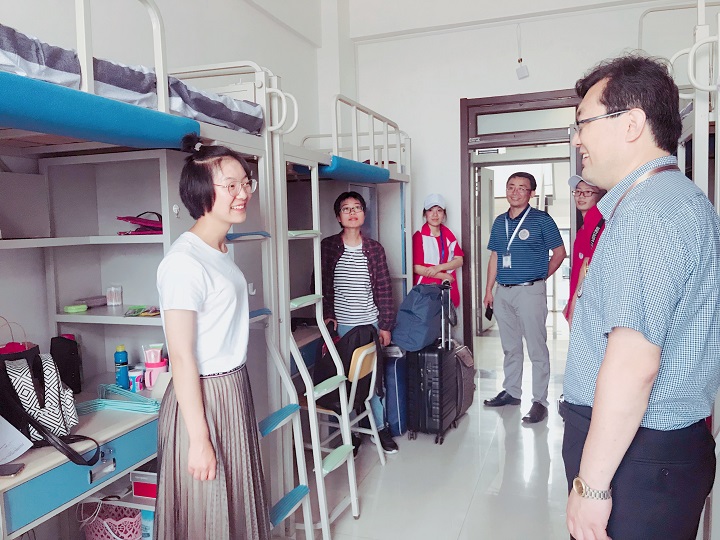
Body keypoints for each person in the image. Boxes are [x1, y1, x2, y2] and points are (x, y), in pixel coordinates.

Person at [562, 54, 720, 540]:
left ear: (631, 124)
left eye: (584, 123)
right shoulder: (681, 199)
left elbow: (634, 365)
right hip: (660, 451)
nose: (577, 139)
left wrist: (592, 488)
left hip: (638, 457)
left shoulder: (647, 214)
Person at [154, 134, 270, 539]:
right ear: (201, 191)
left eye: (245, 183)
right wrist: (199, 439)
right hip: (203, 399)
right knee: (209, 516)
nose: (243, 193)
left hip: (231, 389)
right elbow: (181, 356)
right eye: (231, 185)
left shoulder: (218, 248)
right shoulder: (183, 263)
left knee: (234, 510)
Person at [482, 172, 566, 424]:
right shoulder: (500, 222)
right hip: (503, 291)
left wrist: (540, 277)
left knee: (536, 347)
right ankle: (512, 392)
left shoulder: (541, 220)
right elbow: (495, 256)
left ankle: (539, 401)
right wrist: (489, 289)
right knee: (510, 346)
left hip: (530, 290)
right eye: (511, 187)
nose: (515, 192)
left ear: (531, 193)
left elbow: (560, 253)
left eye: (521, 188)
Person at [321, 191, 399, 454]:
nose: (352, 212)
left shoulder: (374, 249)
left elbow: (384, 288)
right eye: (346, 209)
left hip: (370, 325)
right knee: (344, 381)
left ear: (364, 214)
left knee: (373, 381)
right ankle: (350, 435)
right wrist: (327, 313)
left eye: (357, 208)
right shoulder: (329, 246)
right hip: (342, 327)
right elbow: (319, 284)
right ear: (338, 217)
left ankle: (380, 429)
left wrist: (385, 325)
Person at [563, 175, 605, 326]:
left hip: (588, 303)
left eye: (588, 192)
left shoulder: (598, 222)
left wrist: (574, 306)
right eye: (578, 191)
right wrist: (570, 303)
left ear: (599, 196)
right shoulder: (584, 228)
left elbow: (587, 267)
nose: (581, 196)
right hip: (580, 299)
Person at [412, 193, 464, 307]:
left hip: (447, 287)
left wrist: (438, 268)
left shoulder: (448, 234)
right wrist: (442, 276)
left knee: (447, 316)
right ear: (425, 214)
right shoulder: (419, 236)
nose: (435, 214)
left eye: (439, 210)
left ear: (444, 214)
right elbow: (416, 267)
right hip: (426, 290)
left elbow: (459, 260)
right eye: (430, 210)